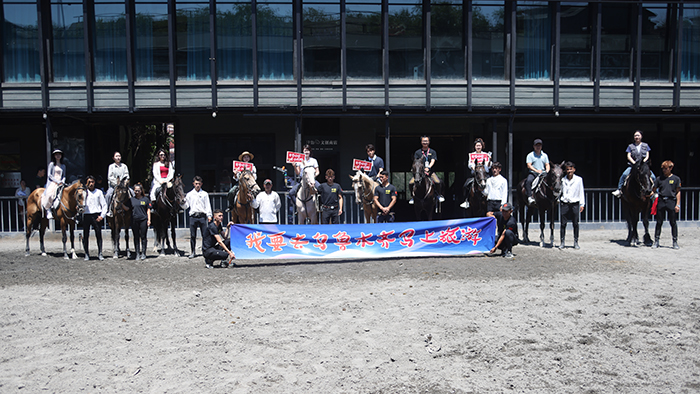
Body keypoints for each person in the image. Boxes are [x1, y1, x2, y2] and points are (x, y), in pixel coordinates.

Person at [612, 130, 656, 198]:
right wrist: (634, 163)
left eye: (638, 135)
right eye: (635, 135)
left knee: (653, 177)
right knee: (624, 175)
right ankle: (619, 190)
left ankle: (656, 192)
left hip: (643, 165)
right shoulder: (630, 146)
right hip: (633, 165)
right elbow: (628, 156)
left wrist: (643, 162)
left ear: (641, 136)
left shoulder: (645, 145)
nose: (636, 137)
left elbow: (647, 155)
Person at [652, 160, 681, 249]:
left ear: (671, 168)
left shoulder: (676, 179)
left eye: (666, 168)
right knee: (659, 222)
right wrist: (650, 195)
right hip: (661, 200)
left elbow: (678, 192)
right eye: (663, 169)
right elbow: (654, 189)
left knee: (673, 222)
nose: (664, 170)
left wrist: (677, 204)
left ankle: (675, 241)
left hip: (671, 201)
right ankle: (656, 241)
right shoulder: (659, 179)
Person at [409, 135, 444, 204]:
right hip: (420, 173)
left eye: (426, 141)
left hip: (430, 172)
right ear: (421, 142)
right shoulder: (417, 152)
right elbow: (416, 162)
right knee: (411, 183)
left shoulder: (432, 151)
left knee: (438, 182)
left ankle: (438, 195)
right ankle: (412, 197)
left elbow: (433, 160)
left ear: (429, 142)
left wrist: (428, 168)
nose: (425, 142)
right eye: (423, 141)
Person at [559, 161, 585, 250]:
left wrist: (582, 203)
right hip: (565, 203)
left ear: (574, 170)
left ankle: (576, 241)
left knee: (575, 223)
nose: (569, 171)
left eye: (571, 169)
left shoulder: (579, 179)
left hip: (575, 203)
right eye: (567, 170)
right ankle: (562, 242)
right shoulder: (562, 180)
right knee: (563, 224)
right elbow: (560, 191)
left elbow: (581, 191)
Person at [460, 138, 493, 209]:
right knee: (466, 184)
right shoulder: (471, 155)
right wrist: (475, 169)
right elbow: (470, 164)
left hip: (484, 174)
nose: (478, 147)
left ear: (482, 146)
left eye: (479, 145)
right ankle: (466, 201)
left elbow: (488, 165)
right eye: (477, 145)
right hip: (476, 174)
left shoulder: (486, 154)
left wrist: (490, 160)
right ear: (474, 147)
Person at [185, 176, 212, 259]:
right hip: (193, 216)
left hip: (202, 216)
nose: (197, 185)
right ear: (193, 184)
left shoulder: (204, 194)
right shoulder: (189, 194)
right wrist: (182, 203)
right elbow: (186, 205)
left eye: (199, 184)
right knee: (193, 235)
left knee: (205, 235)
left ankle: (205, 251)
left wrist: (209, 215)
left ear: (201, 184)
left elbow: (207, 205)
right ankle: (193, 251)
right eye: (196, 184)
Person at [122, 183, 151, 260]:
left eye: (138, 190)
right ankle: (137, 253)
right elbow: (127, 208)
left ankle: (143, 253)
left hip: (143, 220)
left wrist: (149, 220)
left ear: (141, 191)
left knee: (143, 236)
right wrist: (121, 204)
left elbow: (148, 210)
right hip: (134, 220)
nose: (137, 192)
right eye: (135, 191)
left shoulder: (146, 199)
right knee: (136, 237)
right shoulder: (131, 200)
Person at [83, 175, 107, 261]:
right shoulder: (84, 192)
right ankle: (86, 253)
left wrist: (102, 216)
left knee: (98, 234)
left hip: (96, 215)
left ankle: (100, 253)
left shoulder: (99, 192)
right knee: (85, 235)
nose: (91, 184)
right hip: (86, 214)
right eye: (89, 182)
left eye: (92, 182)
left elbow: (104, 205)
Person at [41, 149, 66, 220]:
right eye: (56, 154)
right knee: (50, 194)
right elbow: (50, 175)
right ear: (54, 156)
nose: (58, 156)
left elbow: (64, 175)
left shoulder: (63, 165)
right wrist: (57, 181)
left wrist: (62, 181)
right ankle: (48, 209)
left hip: (61, 182)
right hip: (53, 182)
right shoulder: (51, 164)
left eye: (59, 154)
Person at [525, 138, 550, 205]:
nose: (538, 147)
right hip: (533, 173)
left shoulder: (544, 155)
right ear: (534, 146)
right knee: (528, 181)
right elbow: (529, 165)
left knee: (551, 181)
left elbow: (547, 164)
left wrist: (547, 171)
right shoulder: (530, 155)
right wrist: (536, 170)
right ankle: (530, 196)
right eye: (536, 145)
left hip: (543, 173)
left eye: (539, 145)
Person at [105, 151, 131, 217]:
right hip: (114, 186)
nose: (118, 157)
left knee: (133, 193)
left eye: (119, 156)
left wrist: (125, 182)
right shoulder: (111, 166)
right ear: (113, 158)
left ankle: (133, 209)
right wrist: (117, 183)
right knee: (108, 195)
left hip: (124, 185)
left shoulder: (124, 166)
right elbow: (109, 177)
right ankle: (107, 210)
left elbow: (127, 175)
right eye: (116, 156)